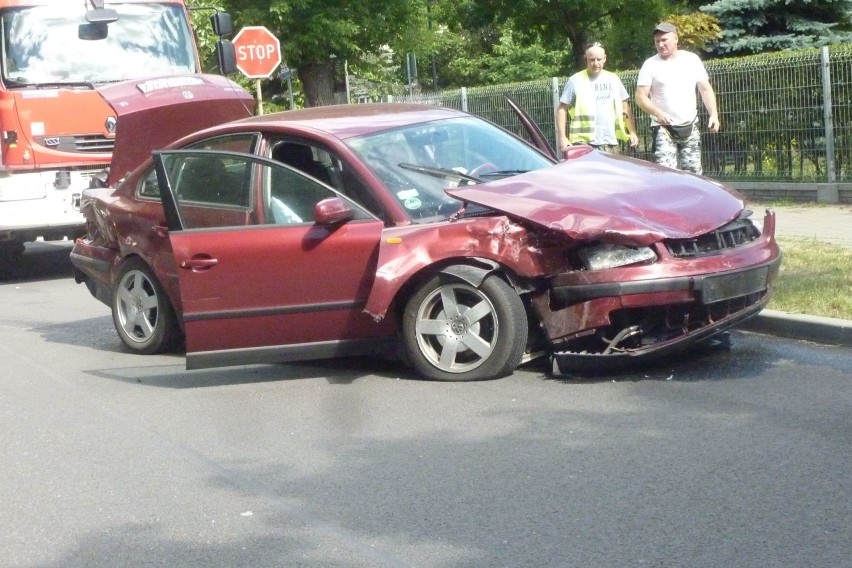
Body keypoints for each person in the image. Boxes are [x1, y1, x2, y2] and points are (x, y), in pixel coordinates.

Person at [635, 22, 720, 174]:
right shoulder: (650, 65)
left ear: (675, 39)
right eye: (657, 41)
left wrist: (714, 115)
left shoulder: (691, 60)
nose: (660, 45)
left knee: (694, 175)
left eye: (664, 40)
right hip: (663, 128)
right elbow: (640, 97)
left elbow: (705, 89)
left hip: (690, 124)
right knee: (666, 174)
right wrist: (657, 113)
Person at [556, 42, 638, 155]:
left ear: (604, 59)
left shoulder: (613, 79)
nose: (595, 63)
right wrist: (562, 137)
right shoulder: (575, 80)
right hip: (583, 143)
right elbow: (562, 109)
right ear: (586, 59)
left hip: (610, 142)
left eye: (599, 59)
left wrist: (632, 132)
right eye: (592, 60)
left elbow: (625, 107)